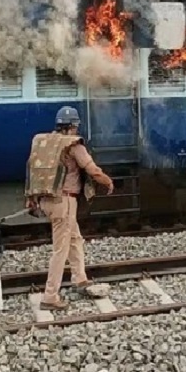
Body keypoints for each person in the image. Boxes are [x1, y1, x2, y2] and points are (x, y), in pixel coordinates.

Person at [25, 106, 115, 310]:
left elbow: (31, 167)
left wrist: (30, 197)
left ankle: (80, 278)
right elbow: (92, 170)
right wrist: (108, 181)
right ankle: (50, 297)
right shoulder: (74, 145)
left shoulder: (44, 141)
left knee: (75, 238)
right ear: (73, 126)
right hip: (64, 201)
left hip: (46, 200)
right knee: (60, 249)